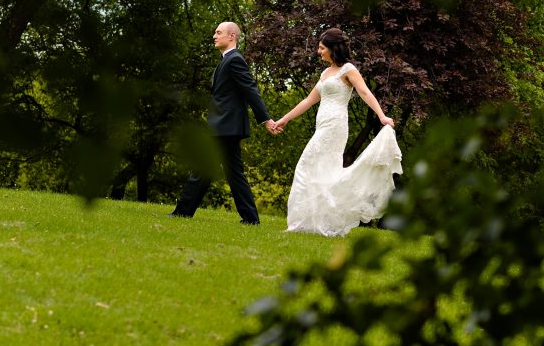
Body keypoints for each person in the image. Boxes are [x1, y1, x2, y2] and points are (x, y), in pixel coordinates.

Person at [272, 27, 402, 236]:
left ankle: (308, 223)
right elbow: (309, 100)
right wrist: (284, 119)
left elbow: (364, 92)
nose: (318, 51)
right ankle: (315, 223)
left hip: (335, 125)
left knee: (306, 166)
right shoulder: (325, 73)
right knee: (321, 173)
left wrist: (382, 116)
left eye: (322, 48)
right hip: (322, 125)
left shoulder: (348, 69)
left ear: (334, 49)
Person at [169, 21, 277, 225]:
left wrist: (265, 119)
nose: (214, 36)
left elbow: (250, 90)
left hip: (226, 125)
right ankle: (250, 218)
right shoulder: (227, 60)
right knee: (233, 173)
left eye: (219, 32)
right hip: (225, 124)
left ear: (232, 36)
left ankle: (183, 212)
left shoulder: (235, 60)